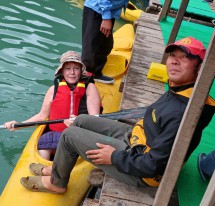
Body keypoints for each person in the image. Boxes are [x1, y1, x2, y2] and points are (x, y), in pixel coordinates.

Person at [20, 37, 215, 194]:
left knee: (69, 136)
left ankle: (57, 182)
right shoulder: (185, 89)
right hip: (137, 139)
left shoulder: (182, 112)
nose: (174, 61)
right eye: (173, 55)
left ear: (200, 67)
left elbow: (153, 165)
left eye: (185, 57)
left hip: (140, 168)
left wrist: (114, 157)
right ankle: (58, 168)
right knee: (80, 120)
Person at [4, 51, 101, 160]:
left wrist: (78, 121)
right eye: (68, 68)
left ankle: (51, 170)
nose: (72, 72)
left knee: (70, 150)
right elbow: (41, 116)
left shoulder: (89, 87)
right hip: (57, 135)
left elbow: (94, 120)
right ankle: (44, 168)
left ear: (81, 71)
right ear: (62, 71)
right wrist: (18, 125)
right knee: (45, 145)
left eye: (76, 68)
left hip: (79, 134)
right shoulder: (53, 90)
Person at [81, 0, 129, 84]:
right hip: (98, 10)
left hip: (110, 11)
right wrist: (106, 17)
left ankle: (96, 73)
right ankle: (84, 80)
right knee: (91, 48)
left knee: (106, 45)